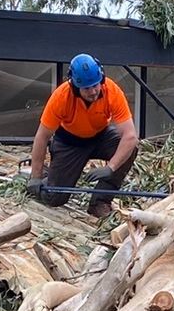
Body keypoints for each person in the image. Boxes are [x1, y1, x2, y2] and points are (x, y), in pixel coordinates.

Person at [25, 54, 139, 219]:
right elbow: (42, 137)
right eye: (86, 88)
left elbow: (130, 136)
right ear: (75, 86)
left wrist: (110, 167)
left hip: (100, 136)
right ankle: (43, 177)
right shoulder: (61, 96)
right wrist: (35, 177)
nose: (93, 91)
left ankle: (100, 201)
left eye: (95, 85)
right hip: (69, 142)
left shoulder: (112, 91)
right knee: (54, 198)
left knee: (130, 148)